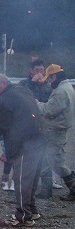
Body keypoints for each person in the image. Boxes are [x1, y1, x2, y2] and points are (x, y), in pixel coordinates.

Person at [0, 74, 45, 226]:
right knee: (31, 178)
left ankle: (23, 216)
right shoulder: (23, 90)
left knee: (21, 180)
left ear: (2, 84)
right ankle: (32, 211)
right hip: (39, 139)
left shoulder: (5, 98)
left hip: (24, 144)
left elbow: (2, 124)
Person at [36, 64, 75, 201]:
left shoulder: (60, 92)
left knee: (57, 161)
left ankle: (73, 187)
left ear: (55, 76)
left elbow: (49, 110)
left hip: (56, 130)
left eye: (50, 79)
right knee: (46, 158)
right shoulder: (67, 87)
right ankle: (46, 190)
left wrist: (36, 103)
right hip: (58, 129)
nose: (49, 82)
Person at [18, 58, 53, 198]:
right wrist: (32, 83)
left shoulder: (48, 86)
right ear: (31, 71)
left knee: (44, 156)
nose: (40, 73)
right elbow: (20, 97)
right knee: (27, 155)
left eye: (42, 70)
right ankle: (26, 185)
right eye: (37, 70)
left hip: (44, 125)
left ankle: (47, 188)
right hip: (27, 125)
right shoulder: (25, 84)